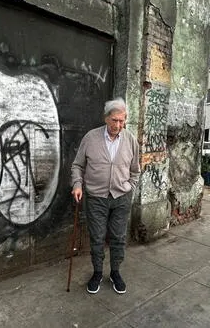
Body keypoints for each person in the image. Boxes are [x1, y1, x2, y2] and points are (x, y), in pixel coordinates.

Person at [71, 97, 140, 295]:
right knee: (97, 237)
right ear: (106, 118)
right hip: (96, 197)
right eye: (114, 120)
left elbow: (135, 170)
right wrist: (77, 184)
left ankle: (115, 272)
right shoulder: (90, 138)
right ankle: (98, 272)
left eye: (122, 120)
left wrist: (129, 186)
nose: (118, 125)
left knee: (118, 237)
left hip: (121, 197)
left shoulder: (130, 140)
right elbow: (77, 165)